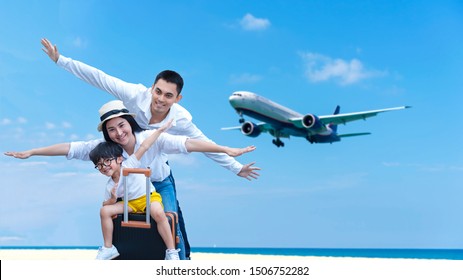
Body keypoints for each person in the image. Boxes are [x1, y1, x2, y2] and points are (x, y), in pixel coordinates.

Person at [41, 38, 261, 259]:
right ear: (151, 88)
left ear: (177, 98)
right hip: (130, 185)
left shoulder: (180, 119)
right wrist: (61, 60)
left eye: (168, 95)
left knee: (171, 222)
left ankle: (181, 262)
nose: (160, 99)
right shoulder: (134, 96)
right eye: (158, 92)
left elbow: (199, 143)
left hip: (159, 178)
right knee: (128, 229)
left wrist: (235, 167)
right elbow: (99, 78)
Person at [5, 100, 256, 260]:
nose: (118, 133)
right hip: (130, 192)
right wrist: (32, 152)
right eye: (111, 129)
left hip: (159, 184)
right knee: (123, 222)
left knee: (169, 220)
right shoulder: (105, 148)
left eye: (122, 125)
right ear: (106, 132)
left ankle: (180, 261)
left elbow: (190, 144)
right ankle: (123, 254)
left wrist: (227, 151)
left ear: (130, 123)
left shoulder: (149, 139)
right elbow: (70, 148)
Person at [90, 120, 179, 260]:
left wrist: (161, 130)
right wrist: (112, 199)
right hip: (129, 204)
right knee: (104, 211)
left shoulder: (129, 164)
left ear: (119, 159)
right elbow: (105, 205)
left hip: (148, 198)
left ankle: (171, 251)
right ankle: (108, 248)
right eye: (99, 165)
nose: (104, 167)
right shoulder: (109, 184)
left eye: (107, 161)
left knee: (159, 213)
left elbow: (144, 146)